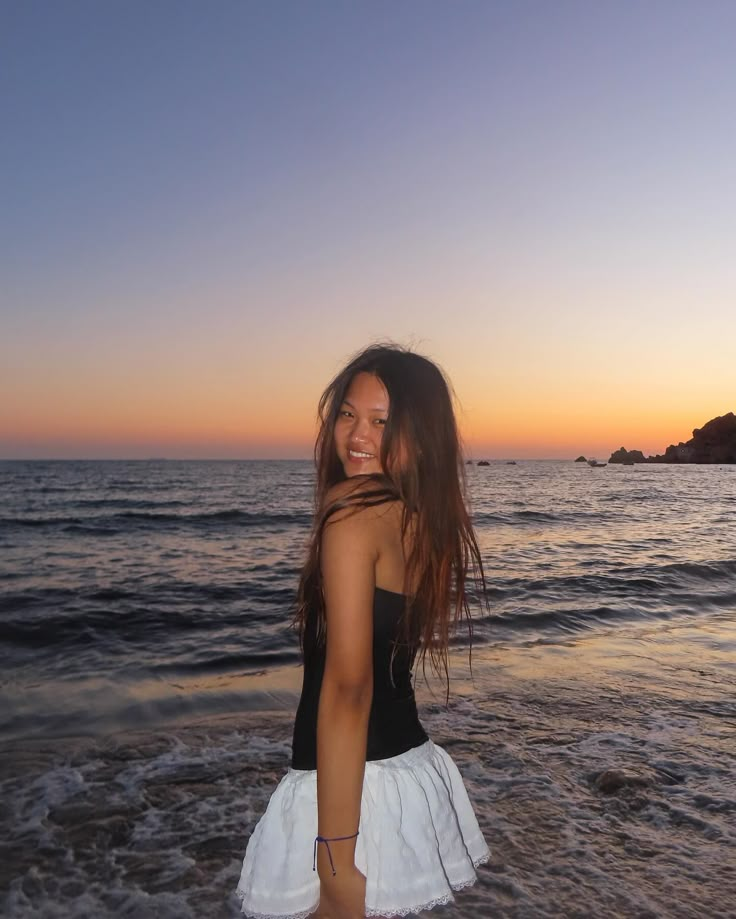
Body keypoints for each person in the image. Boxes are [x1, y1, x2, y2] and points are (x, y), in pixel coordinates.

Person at [236, 343, 489, 919]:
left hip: (349, 801)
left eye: (382, 422)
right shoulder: (421, 520)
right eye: (348, 413)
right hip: (403, 771)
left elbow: (350, 689)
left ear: (419, 435)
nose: (357, 435)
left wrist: (335, 865)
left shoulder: (352, 511)